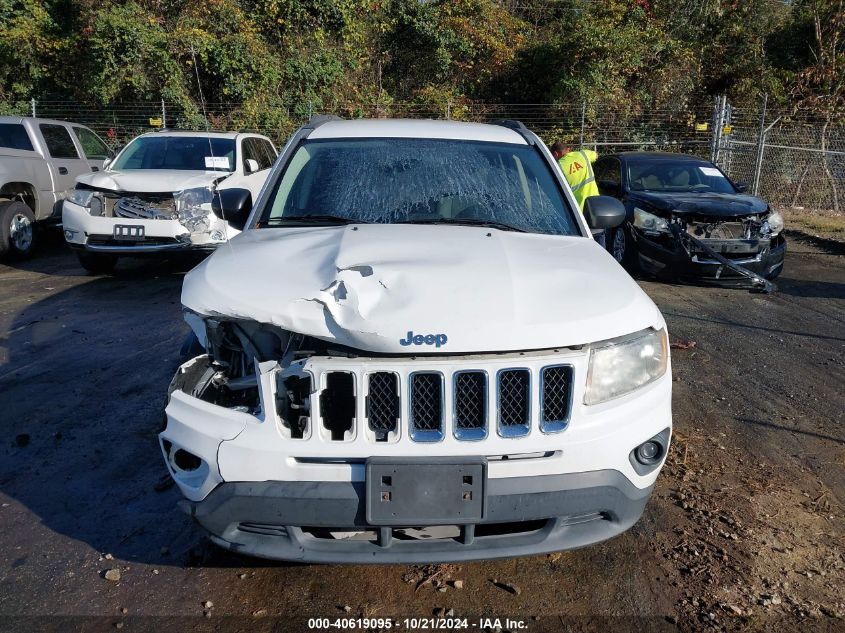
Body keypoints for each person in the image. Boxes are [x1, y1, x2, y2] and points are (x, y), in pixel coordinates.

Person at [551, 141, 599, 211]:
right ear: (568, 149)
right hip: (596, 203)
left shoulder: (557, 167)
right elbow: (596, 155)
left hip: (578, 210)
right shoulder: (583, 154)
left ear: (556, 154)